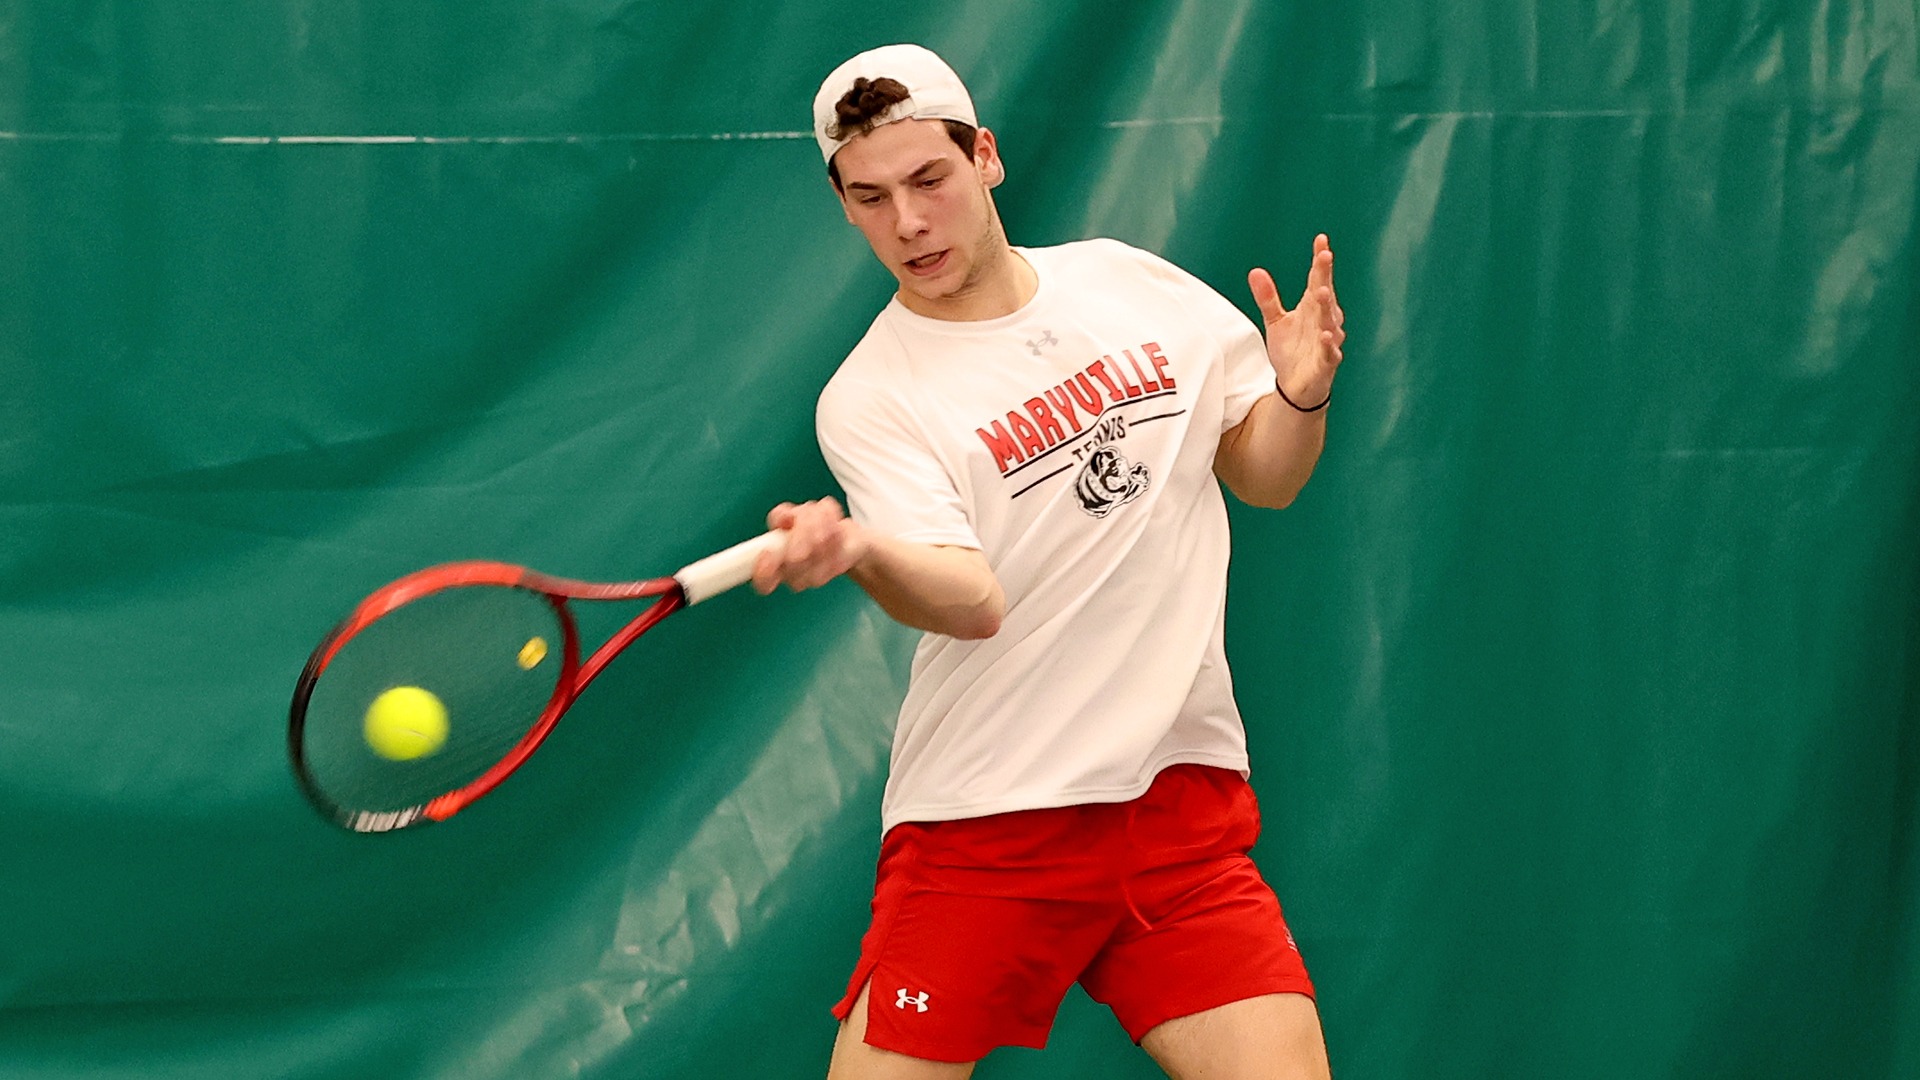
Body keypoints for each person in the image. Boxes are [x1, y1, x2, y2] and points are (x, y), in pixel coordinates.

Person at [751, 43, 1345, 1080]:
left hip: (1175, 808)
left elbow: (1266, 477)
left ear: (986, 156)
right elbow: (970, 600)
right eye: (871, 198)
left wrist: (1298, 393)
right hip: (990, 824)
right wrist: (861, 549)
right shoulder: (871, 396)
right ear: (844, 205)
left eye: (929, 179)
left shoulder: (1129, 282)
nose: (908, 223)